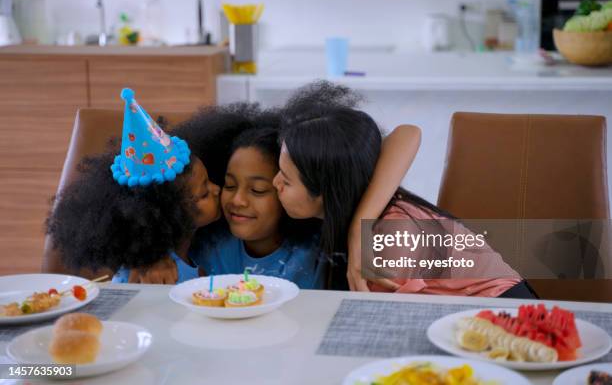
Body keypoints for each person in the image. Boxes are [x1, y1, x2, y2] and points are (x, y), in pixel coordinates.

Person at [273, 81, 537, 298]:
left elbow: (385, 324)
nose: (275, 183)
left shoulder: (389, 243)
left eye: (286, 179)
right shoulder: (367, 209)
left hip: (506, 315)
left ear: (328, 190)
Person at [45, 89, 244, 283]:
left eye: (209, 181)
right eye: (203, 193)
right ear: (171, 216)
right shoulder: (150, 277)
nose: (217, 188)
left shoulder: (196, 250)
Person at [190, 114, 325, 289]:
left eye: (257, 190)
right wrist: (154, 257)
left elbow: (373, 265)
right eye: (230, 185)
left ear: (285, 190)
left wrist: (362, 222)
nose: (238, 200)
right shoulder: (206, 243)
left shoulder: (321, 246)